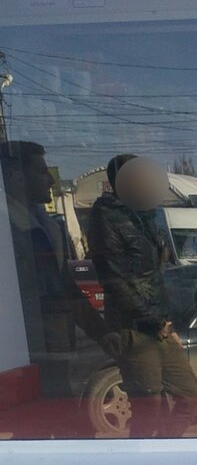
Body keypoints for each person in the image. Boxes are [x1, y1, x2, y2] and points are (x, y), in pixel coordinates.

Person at [1, 141, 121, 430]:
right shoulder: (10, 228)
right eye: (41, 171)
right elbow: (55, 291)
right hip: (25, 350)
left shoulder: (43, 224)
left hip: (51, 345)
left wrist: (101, 332)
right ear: (15, 177)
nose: (51, 180)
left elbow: (64, 286)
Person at [88, 154, 197, 437]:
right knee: (149, 412)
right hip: (134, 330)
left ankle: (165, 448)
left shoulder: (146, 216)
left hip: (157, 325)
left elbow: (154, 277)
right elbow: (115, 281)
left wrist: (166, 324)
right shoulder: (107, 217)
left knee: (192, 397)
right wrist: (155, 321)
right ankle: (146, 458)